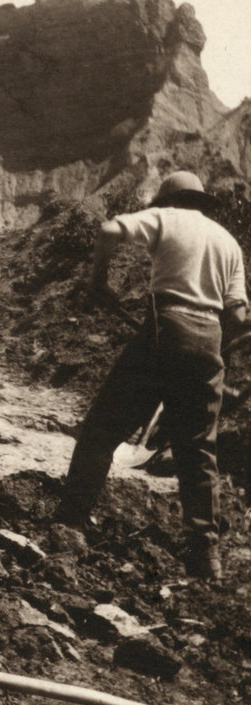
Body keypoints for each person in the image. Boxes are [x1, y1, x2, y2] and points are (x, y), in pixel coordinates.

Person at [54, 171, 248, 580]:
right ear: (200, 200)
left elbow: (109, 229)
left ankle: (69, 523)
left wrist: (98, 280)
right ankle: (205, 557)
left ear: (168, 200)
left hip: (164, 327)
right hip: (208, 340)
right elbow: (239, 317)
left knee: (102, 430)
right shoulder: (227, 241)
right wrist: (210, 347)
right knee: (198, 451)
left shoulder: (166, 218)